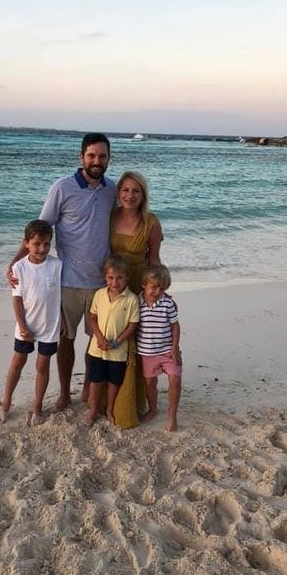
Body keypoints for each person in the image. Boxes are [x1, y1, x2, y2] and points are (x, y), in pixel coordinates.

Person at [7, 133, 116, 411]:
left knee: (96, 343)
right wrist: (16, 263)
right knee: (65, 340)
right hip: (66, 281)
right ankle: (65, 393)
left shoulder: (111, 190)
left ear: (108, 159)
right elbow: (40, 228)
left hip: (101, 283)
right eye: (91, 155)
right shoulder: (62, 187)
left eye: (102, 156)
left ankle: (89, 391)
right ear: (81, 157)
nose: (96, 161)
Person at [109, 171, 163, 428]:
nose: (129, 196)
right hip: (113, 288)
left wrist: (158, 293)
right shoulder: (110, 217)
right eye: (125, 190)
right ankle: (105, 400)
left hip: (138, 289)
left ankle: (136, 403)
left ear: (143, 195)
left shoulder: (151, 222)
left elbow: (154, 260)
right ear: (118, 192)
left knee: (136, 345)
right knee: (112, 344)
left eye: (135, 191)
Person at [0, 220, 62, 424]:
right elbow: (17, 299)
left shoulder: (57, 266)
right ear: (26, 243)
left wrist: (65, 321)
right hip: (26, 326)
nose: (42, 249)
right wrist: (22, 326)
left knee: (43, 366)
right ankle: (5, 404)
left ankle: (37, 408)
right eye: (37, 244)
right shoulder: (19, 267)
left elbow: (62, 295)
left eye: (46, 244)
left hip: (50, 327)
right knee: (17, 363)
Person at [85, 255, 139, 427]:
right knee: (95, 380)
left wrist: (117, 341)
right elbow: (92, 318)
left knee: (114, 382)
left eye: (119, 278)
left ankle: (109, 409)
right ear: (105, 277)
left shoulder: (131, 299)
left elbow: (132, 326)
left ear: (127, 277)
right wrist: (99, 337)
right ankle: (93, 410)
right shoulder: (99, 294)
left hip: (118, 351)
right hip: (97, 348)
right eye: (110, 278)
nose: (115, 282)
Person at [136, 265, 182, 432]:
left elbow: (175, 326)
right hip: (147, 352)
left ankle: (172, 414)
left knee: (175, 379)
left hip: (168, 350)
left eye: (161, 288)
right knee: (149, 382)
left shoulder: (167, 303)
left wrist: (174, 348)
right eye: (153, 287)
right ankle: (153, 409)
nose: (157, 292)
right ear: (144, 284)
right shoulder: (136, 302)